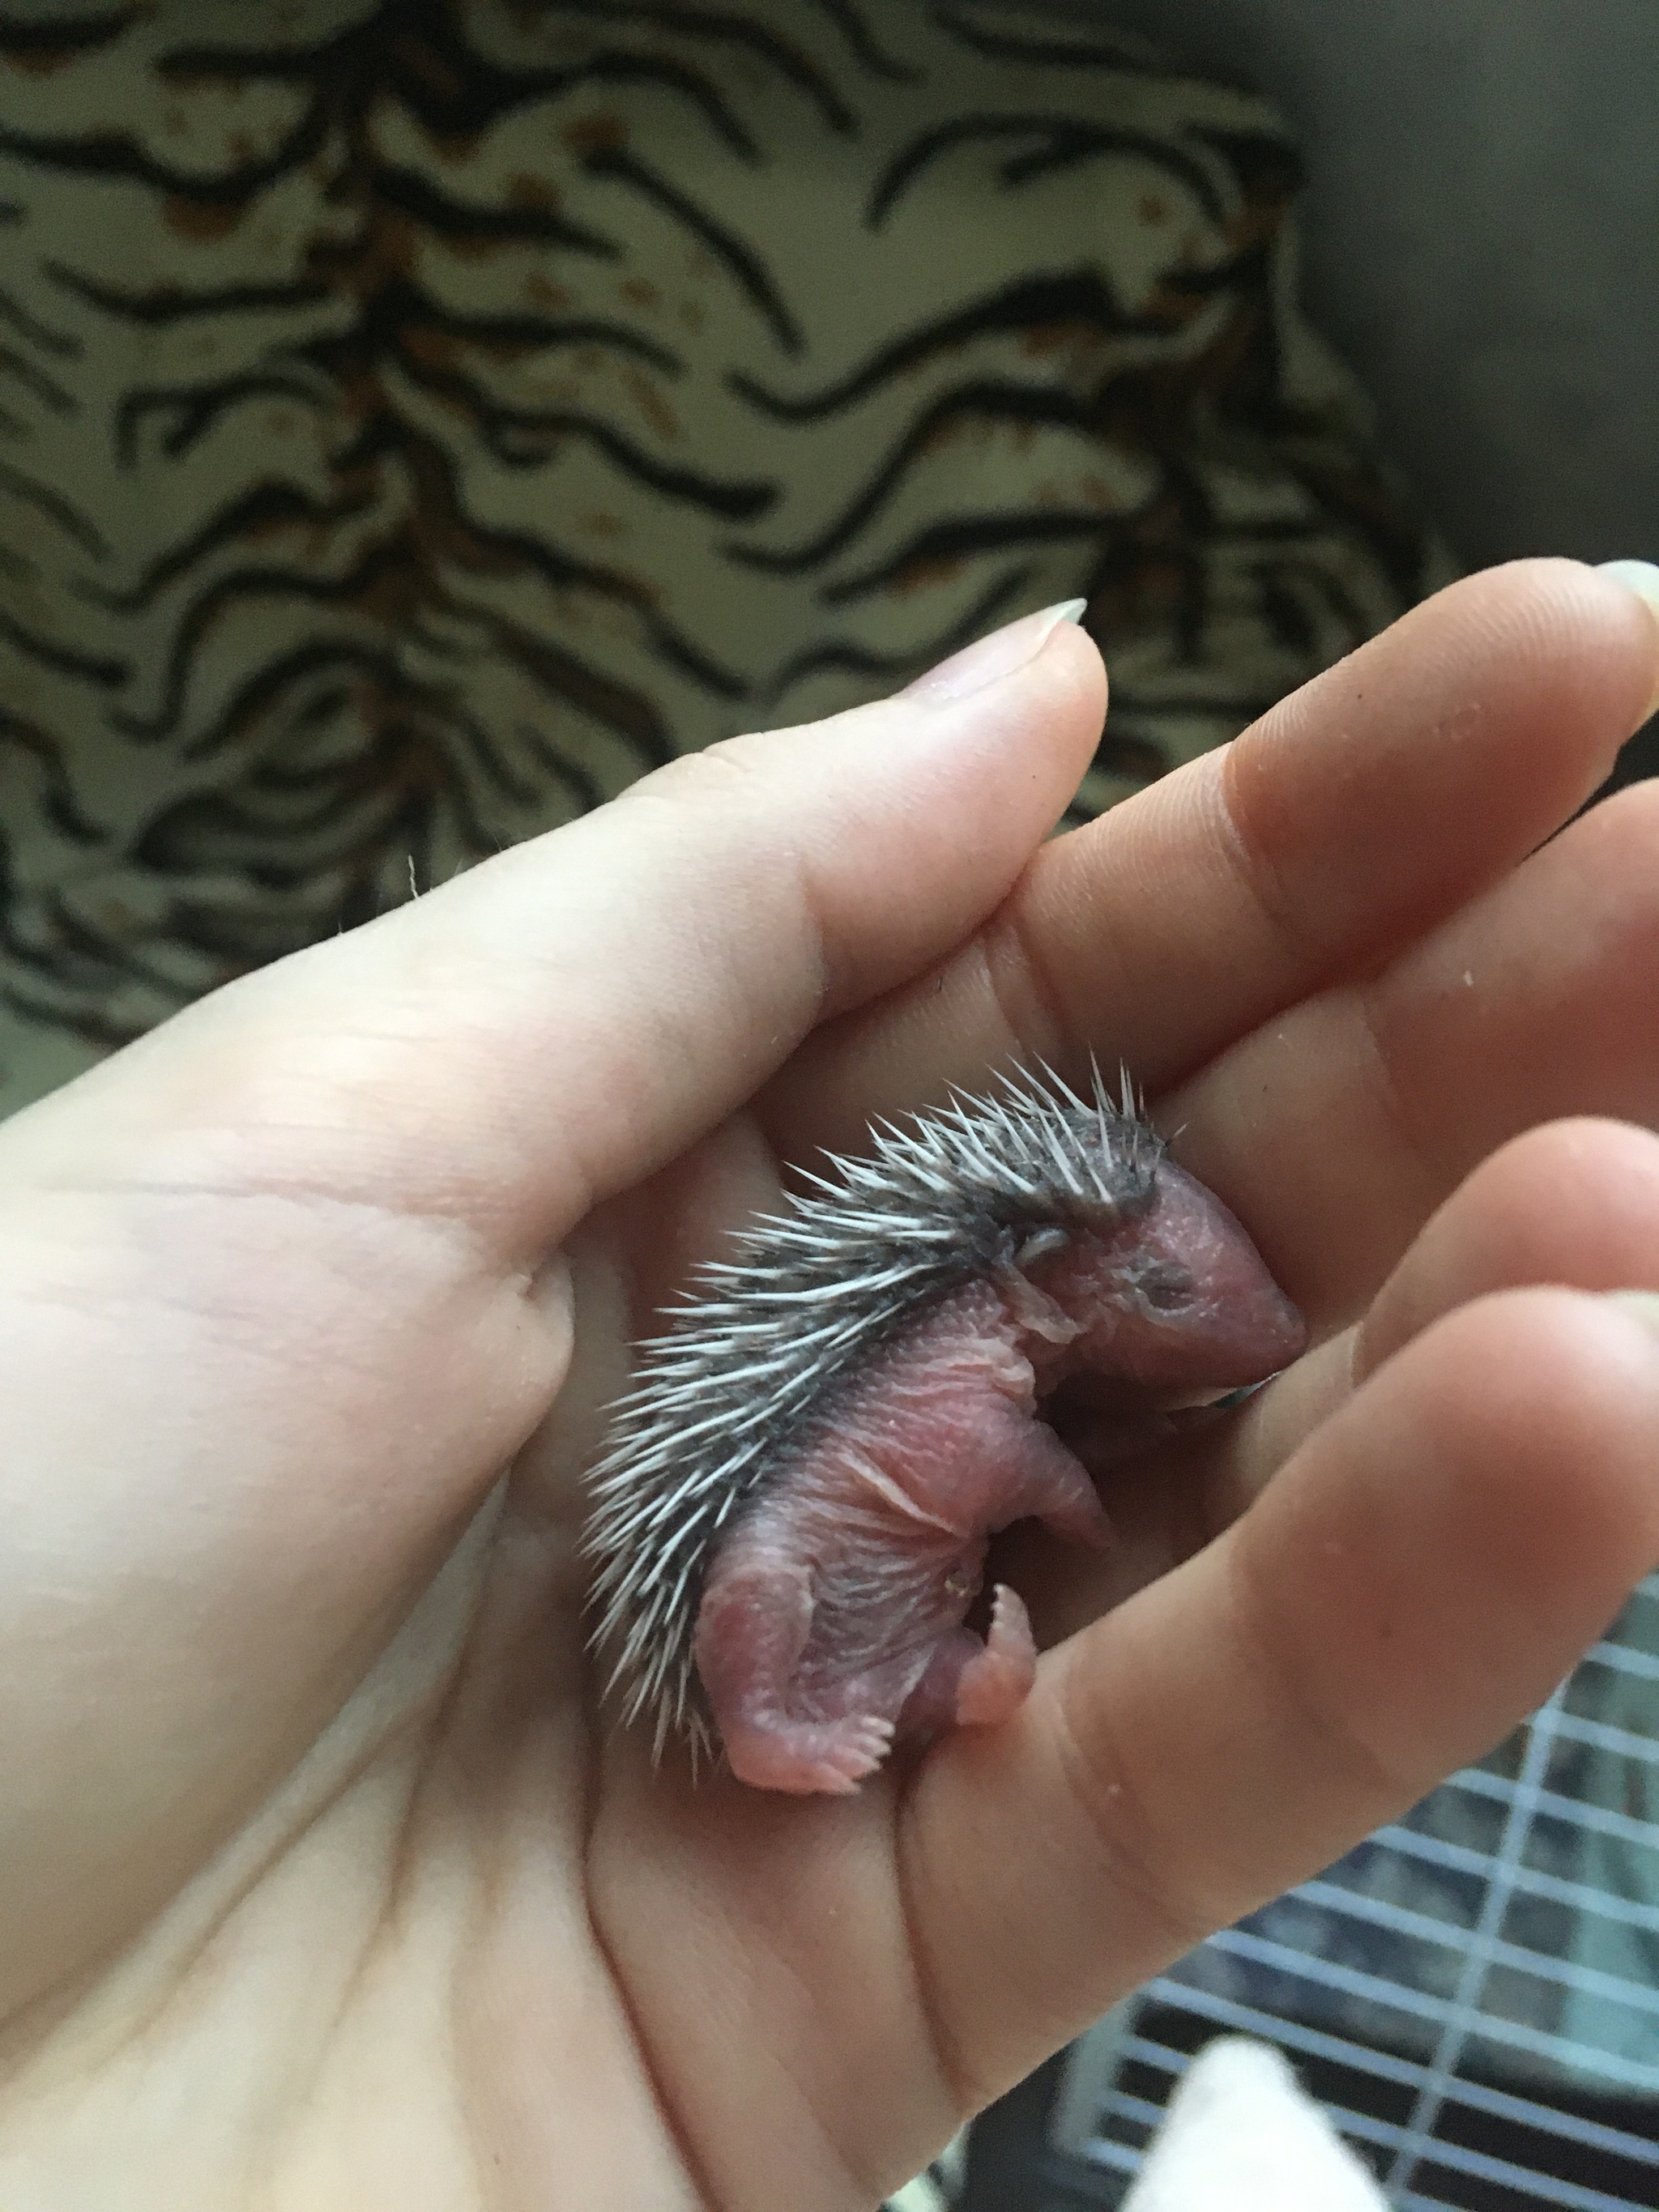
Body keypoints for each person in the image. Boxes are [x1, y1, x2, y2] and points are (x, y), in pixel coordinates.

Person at [0, 557, 1656, 2206]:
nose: (1243, 1332)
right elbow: (989, 1460)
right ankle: (792, 1717)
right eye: (1162, 1291)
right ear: (1041, 1270)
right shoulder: (964, 1359)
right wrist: (1061, 1496)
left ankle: (890, 1692)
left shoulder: (1006, 1327)